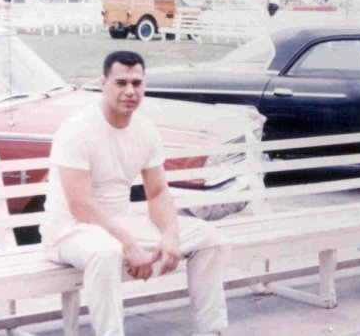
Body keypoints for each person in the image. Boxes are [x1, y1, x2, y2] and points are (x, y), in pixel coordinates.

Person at [40, 50, 228, 336]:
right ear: (103, 83)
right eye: (121, 83)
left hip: (117, 225)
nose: (130, 91)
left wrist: (170, 236)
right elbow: (81, 205)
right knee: (106, 252)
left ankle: (211, 330)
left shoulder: (145, 130)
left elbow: (157, 192)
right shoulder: (77, 129)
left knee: (210, 239)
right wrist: (130, 245)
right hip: (68, 232)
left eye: (136, 83)